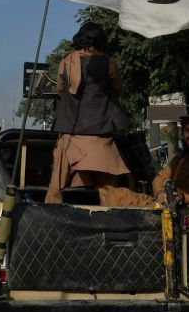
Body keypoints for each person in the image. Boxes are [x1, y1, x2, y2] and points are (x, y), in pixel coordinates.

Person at [45, 23, 130, 205]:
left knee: (55, 189)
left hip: (70, 135)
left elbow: (60, 89)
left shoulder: (66, 61)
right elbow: (119, 90)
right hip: (100, 137)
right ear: (100, 41)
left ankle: (48, 218)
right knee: (108, 190)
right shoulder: (109, 63)